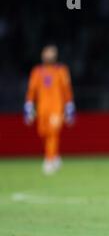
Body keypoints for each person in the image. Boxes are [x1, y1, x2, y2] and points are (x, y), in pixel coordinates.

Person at [24, 45, 75, 175]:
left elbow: (66, 89)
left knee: (53, 133)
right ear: (42, 55)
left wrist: (69, 106)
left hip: (56, 108)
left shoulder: (61, 71)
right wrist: (29, 106)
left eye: (51, 53)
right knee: (43, 133)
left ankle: (49, 160)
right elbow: (32, 90)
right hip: (42, 109)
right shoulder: (37, 71)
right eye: (47, 53)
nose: (49, 55)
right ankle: (55, 156)